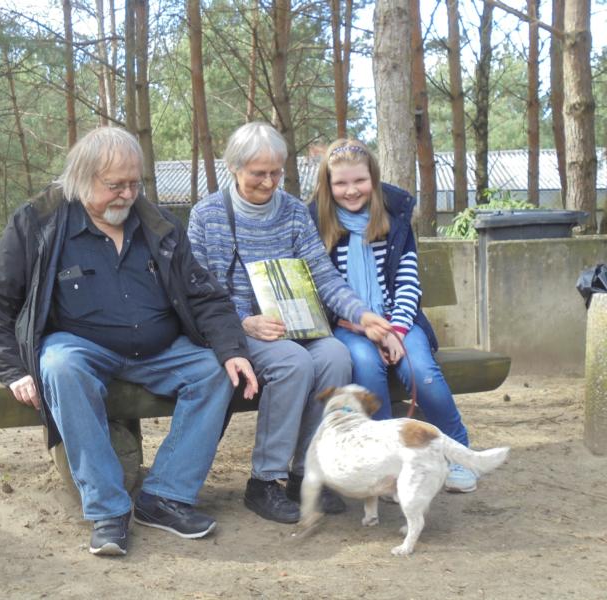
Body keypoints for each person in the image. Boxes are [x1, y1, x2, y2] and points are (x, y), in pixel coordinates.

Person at [0, 126, 258, 557]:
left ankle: (165, 497)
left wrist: (232, 350)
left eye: (134, 183)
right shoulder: (38, 222)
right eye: (115, 185)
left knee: (215, 372)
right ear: (82, 179)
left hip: (160, 350)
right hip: (80, 347)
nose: (128, 194)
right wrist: (12, 369)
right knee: (60, 366)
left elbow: (204, 296)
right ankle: (107, 510)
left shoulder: (159, 225)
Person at [187, 122, 391, 524]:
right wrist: (245, 322)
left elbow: (323, 276)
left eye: (276, 172)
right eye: (258, 173)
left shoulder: (294, 212)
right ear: (233, 168)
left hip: (295, 325)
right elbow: (196, 289)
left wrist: (361, 314)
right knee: (293, 363)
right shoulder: (207, 215)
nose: (269, 182)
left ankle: (306, 473)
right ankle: (265, 480)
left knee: (335, 355)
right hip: (238, 331)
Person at [309, 138, 477, 493]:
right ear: (327, 185)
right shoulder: (317, 224)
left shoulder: (394, 220)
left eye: (360, 180)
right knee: (365, 366)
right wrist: (363, 326)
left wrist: (396, 330)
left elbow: (407, 282)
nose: (351, 190)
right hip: (349, 326)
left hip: (399, 321)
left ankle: (458, 452)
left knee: (422, 372)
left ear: (374, 179)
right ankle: (386, 463)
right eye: (341, 183)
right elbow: (323, 289)